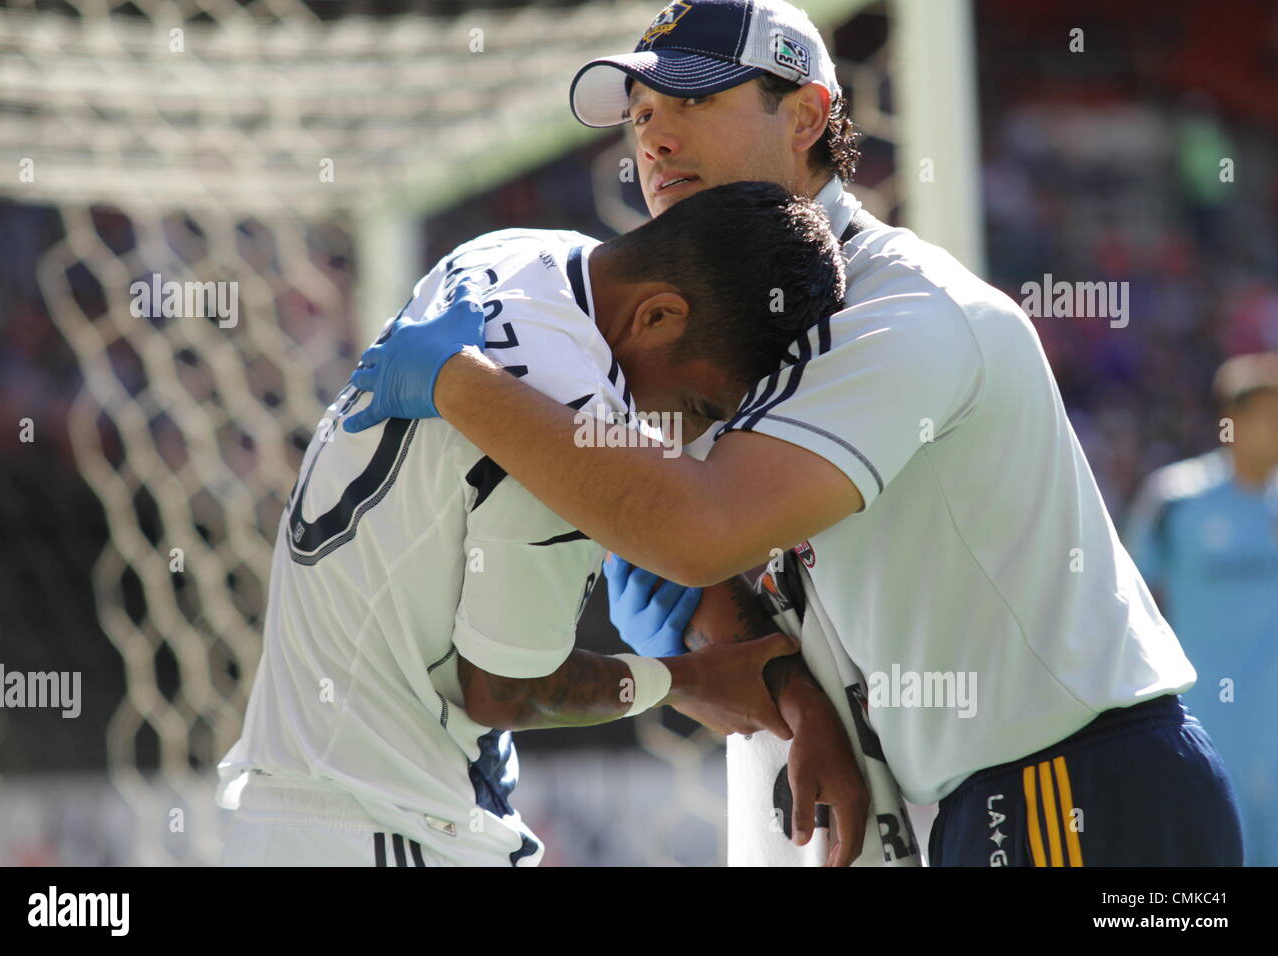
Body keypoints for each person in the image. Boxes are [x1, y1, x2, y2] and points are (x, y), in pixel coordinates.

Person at [345, 0, 1244, 865]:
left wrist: (459, 383)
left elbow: (698, 532)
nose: (653, 139)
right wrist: (750, 661)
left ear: (810, 114)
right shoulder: (730, 327)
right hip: (980, 801)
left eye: (694, 99)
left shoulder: (901, 313)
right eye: (642, 111)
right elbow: (703, 577)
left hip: (1072, 791)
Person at [214, 181, 849, 866]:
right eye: (699, 406)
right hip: (395, 824)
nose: (684, 437)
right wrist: (690, 682)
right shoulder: (564, 438)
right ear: (660, 316)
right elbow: (504, 691)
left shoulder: (509, 256)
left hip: (297, 796)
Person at [1125, 352, 1278, 865]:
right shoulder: (1177, 501)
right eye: (1270, 415)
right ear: (1233, 423)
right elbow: (1127, 601)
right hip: (1203, 718)